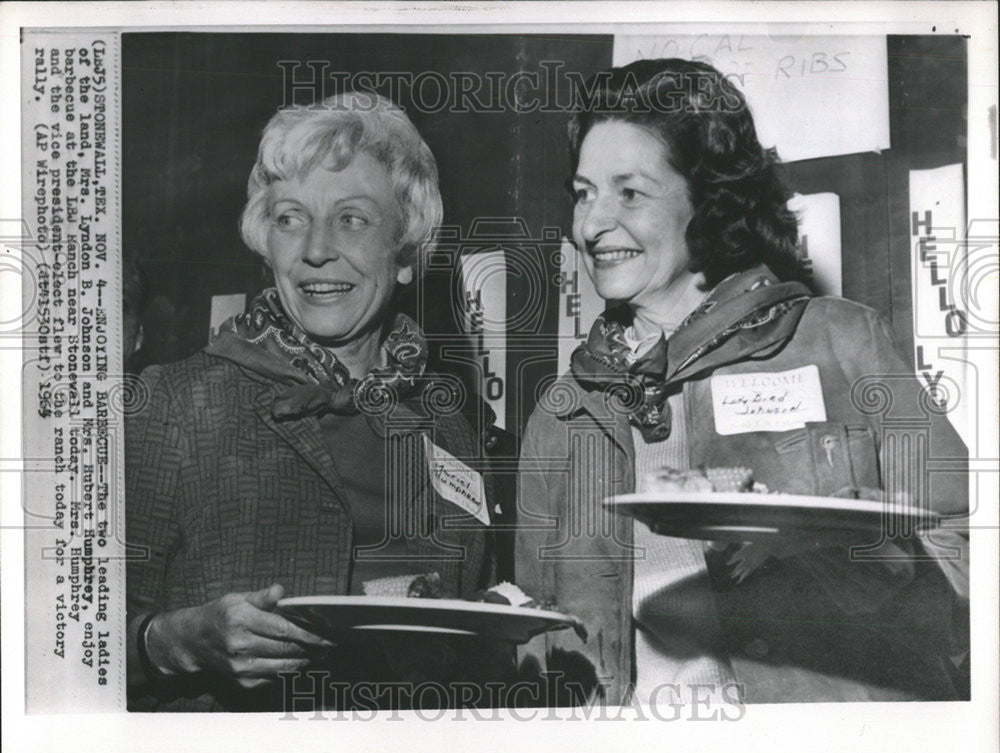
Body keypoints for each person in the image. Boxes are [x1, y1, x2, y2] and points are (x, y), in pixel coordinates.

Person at [516, 59, 969, 706]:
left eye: (630, 193)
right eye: (584, 193)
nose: (590, 225)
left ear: (708, 199)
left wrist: (855, 555)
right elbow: (537, 642)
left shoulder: (841, 341)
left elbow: (969, 576)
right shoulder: (563, 414)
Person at [126, 92, 504, 711]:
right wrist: (176, 642)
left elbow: (474, 619)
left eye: (352, 218)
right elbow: (57, 642)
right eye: (291, 218)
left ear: (406, 253)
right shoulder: (172, 406)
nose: (317, 250)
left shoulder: (449, 427)